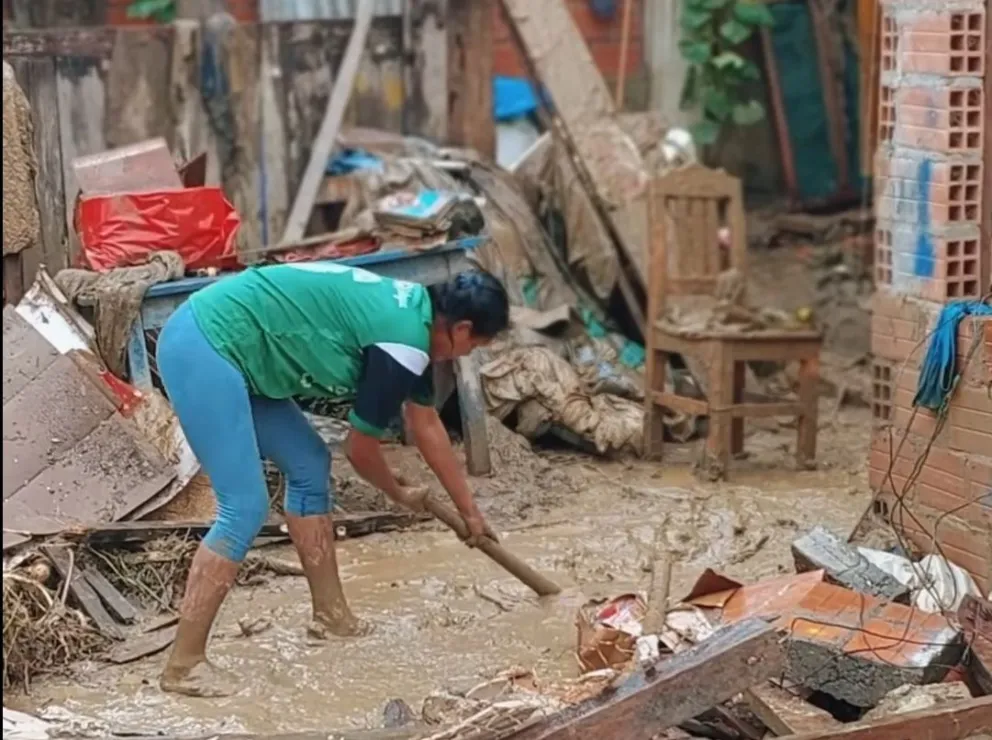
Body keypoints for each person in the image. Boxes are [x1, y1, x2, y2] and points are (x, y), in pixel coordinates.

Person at [154, 262, 509, 697]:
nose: (465, 355)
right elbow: (359, 450)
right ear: (462, 328)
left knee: (307, 464)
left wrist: (470, 513)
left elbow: (426, 424)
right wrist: (397, 492)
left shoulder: (415, 321)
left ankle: (331, 616)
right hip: (206, 343)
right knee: (244, 507)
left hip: (243, 352)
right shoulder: (402, 342)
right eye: (473, 346)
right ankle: (184, 665)